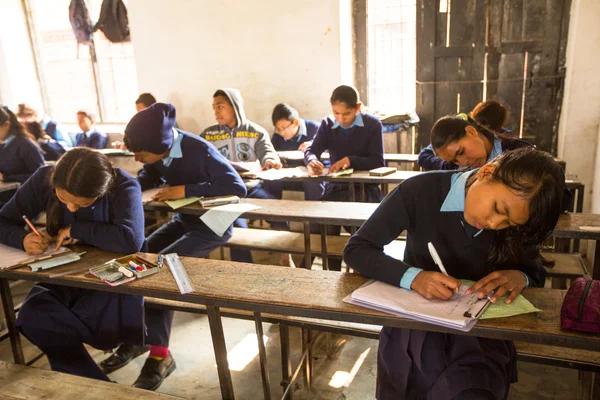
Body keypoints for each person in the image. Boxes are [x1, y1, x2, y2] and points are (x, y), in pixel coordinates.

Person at [344, 147, 566, 400]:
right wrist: (413, 277)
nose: (495, 224)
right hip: (414, 328)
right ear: (487, 171)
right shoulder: (419, 191)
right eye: (497, 208)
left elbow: (534, 272)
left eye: (508, 223)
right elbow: (358, 249)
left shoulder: (520, 218)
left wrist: (520, 276)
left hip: (481, 336)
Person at [101, 103, 247, 386]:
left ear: (162, 145)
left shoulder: (199, 150)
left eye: (142, 154)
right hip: (186, 220)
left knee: (158, 272)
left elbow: (236, 187)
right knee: (135, 260)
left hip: (213, 226)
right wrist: (129, 187)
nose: (138, 158)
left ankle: (160, 355)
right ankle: (137, 338)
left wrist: (187, 190)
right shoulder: (159, 150)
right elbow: (150, 173)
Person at [0, 148, 169, 386]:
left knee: (93, 319)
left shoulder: (123, 185)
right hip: (66, 272)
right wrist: (21, 238)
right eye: (63, 199)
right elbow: (3, 219)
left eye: (82, 203)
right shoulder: (44, 176)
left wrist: (76, 229)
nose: (70, 209)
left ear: (101, 191)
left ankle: (102, 377)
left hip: (116, 275)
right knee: (33, 315)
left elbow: (130, 239)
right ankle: (96, 387)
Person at [201, 88, 287, 264]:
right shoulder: (208, 135)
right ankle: (244, 270)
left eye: (220, 106)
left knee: (280, 214)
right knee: (238, 228)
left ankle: (285, 257)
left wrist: (270, 161)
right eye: (214, 107)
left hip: (251, 189)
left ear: (235, 106)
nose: (215, 112)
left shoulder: (256, 132)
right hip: (225, 193)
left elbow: (268, 153)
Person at [303, 85, 384, 271]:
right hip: (336, 189)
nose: (340, 119)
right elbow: (311, 150)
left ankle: (360, 272)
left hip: (363, 190)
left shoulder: (372, 124)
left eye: (346, 114)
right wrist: (312, 161)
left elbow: (378, 161)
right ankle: (331, 274)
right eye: (336, 113)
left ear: (358, 107)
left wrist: (350, 160)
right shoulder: (327, 124)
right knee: (324, 228)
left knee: (359, 234)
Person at [266, 103, 324, 200]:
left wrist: (314, 145)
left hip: (310, 172)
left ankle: (314, 214)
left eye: (284, 128)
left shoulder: (315, 128)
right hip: (289, 174)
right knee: (270, 180)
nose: (282, 133)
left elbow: (327, 150)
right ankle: (272, 212)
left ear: (296, 123)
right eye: (278, 129)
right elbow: (272, 153)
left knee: (312, 181)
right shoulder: (277, 136)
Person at [0, 106, 45, 203]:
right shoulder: (3, 144)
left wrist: (6, 178)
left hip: (24, 200)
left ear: (6, 125)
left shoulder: (25, 144)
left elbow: (40, 176)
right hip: (7, 196)